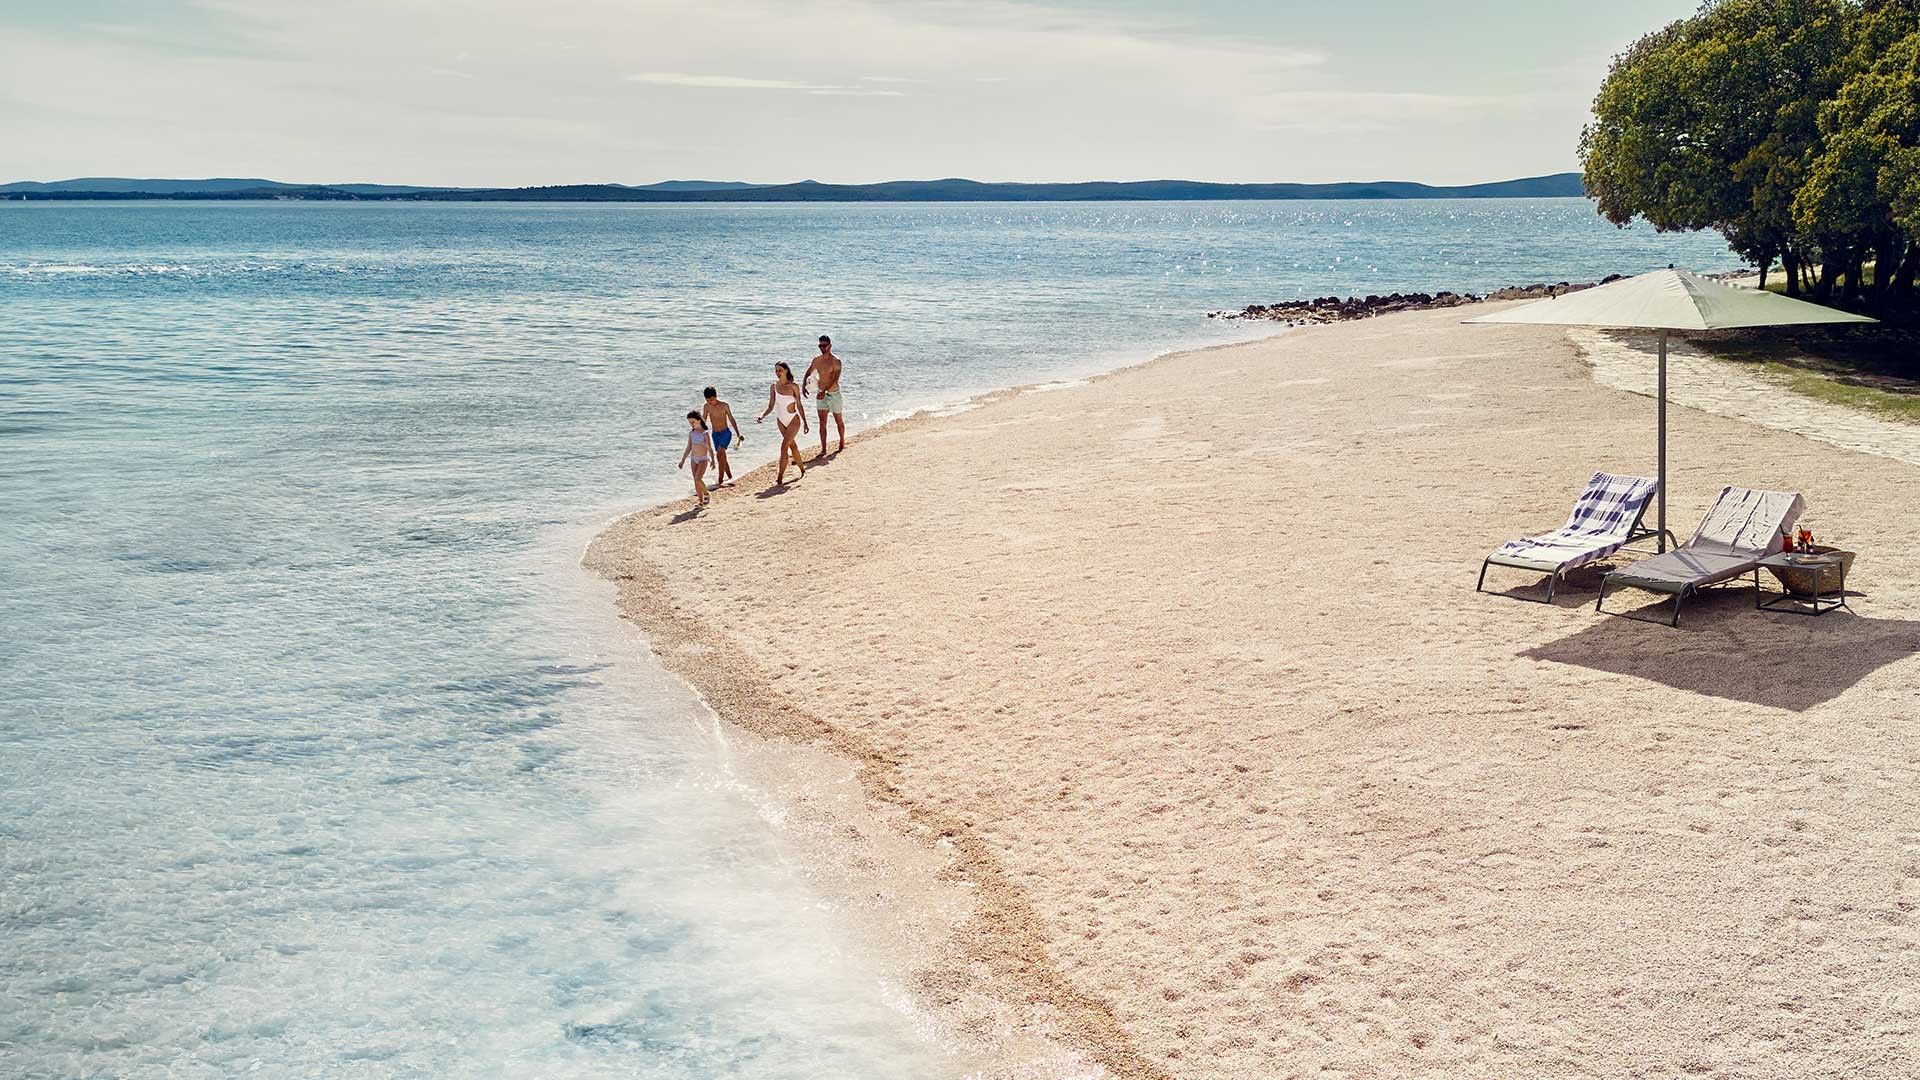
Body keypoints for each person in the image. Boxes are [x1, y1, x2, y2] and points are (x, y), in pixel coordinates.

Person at [755, 361, 808, 485]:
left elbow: (799, 405)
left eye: (780, 370)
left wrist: (805, 421)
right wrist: (762, 415)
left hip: (793, 420)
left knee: (784, 447)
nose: (778, 373)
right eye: (776, 371)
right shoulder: (774, 386)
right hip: (780, 420)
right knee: (792, 446)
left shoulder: (793, 386)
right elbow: (771, 405)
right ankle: (802, 470)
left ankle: (779, 477)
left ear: (786, 371)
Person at [802, 334, 845, 460]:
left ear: (830, 346)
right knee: (822, 422)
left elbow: (835, 379)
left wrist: (824, 390)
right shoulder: (817, 360)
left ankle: (842, 442)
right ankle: (824, 448)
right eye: (820, 345)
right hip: (821, 393)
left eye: (824, 345)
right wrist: (804, 385)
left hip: (834, 394)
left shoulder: (836, 361)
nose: (822, 348)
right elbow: (809, 371)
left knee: (838, 420)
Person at [701, 386, 743, 487]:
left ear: (716, 396)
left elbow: (731, 419)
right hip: (715, 435)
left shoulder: (724, 405)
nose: (710, 402)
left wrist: (738, 433)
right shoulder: (706, 407)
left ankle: (720, 480)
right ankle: (730, 476)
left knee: (720, 453)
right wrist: (698, 432)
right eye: (708, 400)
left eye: (712, 399)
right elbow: (704, 420)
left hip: (725, 433)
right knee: (721, 456)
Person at [677, 411, 713, 507]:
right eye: (690, 423)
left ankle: (707, 494)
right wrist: (683, 460)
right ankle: (700, 501)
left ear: (699, 420)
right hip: (693, 459)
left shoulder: (705, 433)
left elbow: (709, 448)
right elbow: (688, 447)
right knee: (695, 480)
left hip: (703, 459)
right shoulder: (691, 433)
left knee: (698, 478)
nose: (691, 424)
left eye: (693, 422)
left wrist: (713, 460)